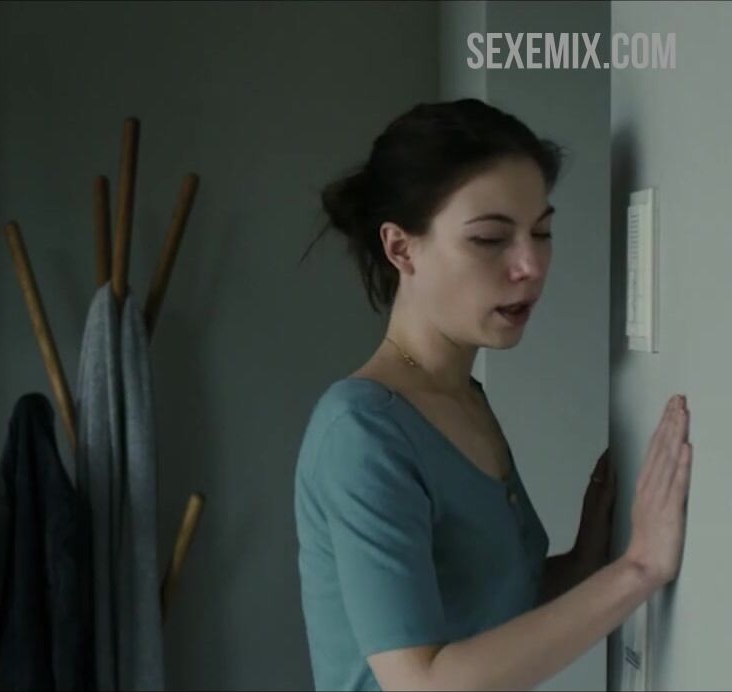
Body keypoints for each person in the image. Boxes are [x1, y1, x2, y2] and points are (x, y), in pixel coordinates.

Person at [294, 98, 693, 691]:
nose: (530, 265)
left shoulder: (465, 398)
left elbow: (488, 613)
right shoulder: (360, 432)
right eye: (489, 239)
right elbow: (422, 683)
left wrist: (588, 560)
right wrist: (638, 569)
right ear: (401, 248)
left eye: (542, 232)